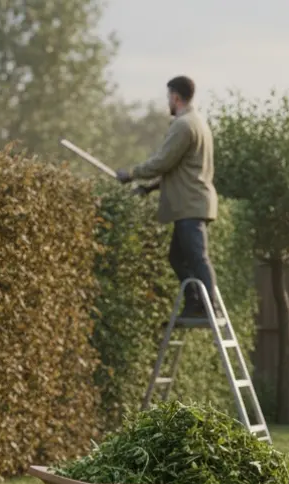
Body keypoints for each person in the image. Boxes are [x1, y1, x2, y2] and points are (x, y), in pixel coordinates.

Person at [116, 75, 221, 325]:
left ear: (175, 97)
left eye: (168, 98)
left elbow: (164, 161)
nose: (168, 103)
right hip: (193, 202)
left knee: (197, 258)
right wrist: (148, 188)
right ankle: (195, 303)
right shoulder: (199, 123)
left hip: (190, 205)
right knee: (177, 258)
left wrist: (132, 174)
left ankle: (210, 308)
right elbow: (179, 170)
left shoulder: (184, 125)